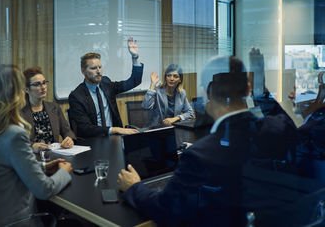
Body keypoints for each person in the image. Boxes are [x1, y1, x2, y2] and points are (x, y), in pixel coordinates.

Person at [117, 56, 295, 226]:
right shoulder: (278, 128)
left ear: (208, 93)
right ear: (248, 89)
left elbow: (166, 210)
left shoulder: (200, 154)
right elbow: (282, 119)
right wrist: (260, 87)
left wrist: (134, 187)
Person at [0, 64, 72, 227]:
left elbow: (4, 167)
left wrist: (43, 165)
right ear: (16, 93)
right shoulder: (14, 134)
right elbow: (44, 190)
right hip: (14, 220)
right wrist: (64, 172)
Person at [68, 37, 143, 138]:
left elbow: (134, 81)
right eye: (94, 68)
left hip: (115, 139)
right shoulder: (77, 96)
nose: (99, 71)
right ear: (83, 71)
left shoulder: (106, 84)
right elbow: (85, 128)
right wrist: (114, 129)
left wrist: (135, 58)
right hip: (94, 141)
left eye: (100, 67)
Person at [20, 66, 75, 151]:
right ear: (27, 89)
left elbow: (67, 131)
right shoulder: (19, 112)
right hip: (32, 157)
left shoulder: (54, 107)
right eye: (37, 84)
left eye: (44, 82)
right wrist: (32, 147)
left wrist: (69, 139)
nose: (43, 87)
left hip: (55, 155)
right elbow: (16, 142)